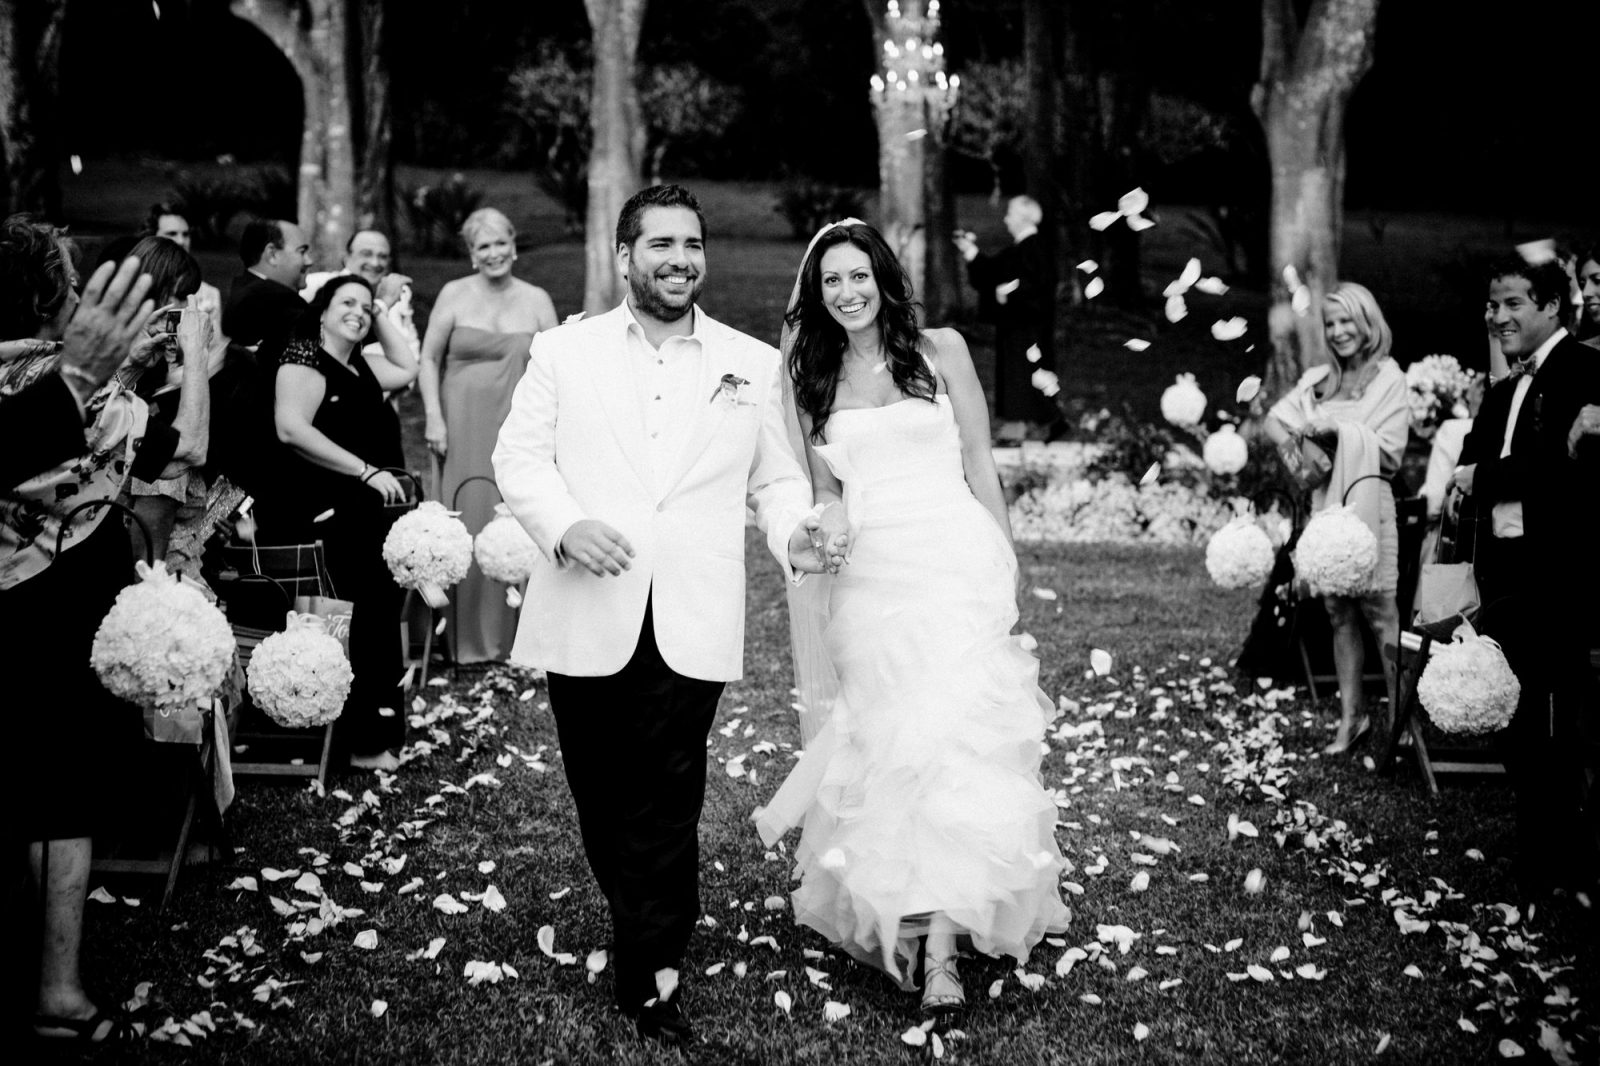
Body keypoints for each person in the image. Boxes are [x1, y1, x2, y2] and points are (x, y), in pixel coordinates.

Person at [492, 184, 838, 1047]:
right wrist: (565, 526)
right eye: (662, 244)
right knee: (600, 791)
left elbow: (775, 479)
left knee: (668, 792)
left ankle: (651, 968)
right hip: (586, 604)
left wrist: (795, 534)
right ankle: (641, 917)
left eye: (693, 243)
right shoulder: (562, 352)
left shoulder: (750, 361)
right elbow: (518, 457)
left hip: (691, 607)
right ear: (624, 256)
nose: (681, 258)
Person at [753, 220, 1070, 1030]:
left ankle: (942, 953)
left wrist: (1002, 558)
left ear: (884, 279)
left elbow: (978, 459)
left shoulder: (944, 349)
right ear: (816, 296)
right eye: (832, 283)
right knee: (896, 745)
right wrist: (824, 527)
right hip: (872, 579)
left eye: (859, 276)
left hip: (953, 565)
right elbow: (819, 487)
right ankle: (913, 910)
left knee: (959, 740)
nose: (848, 293)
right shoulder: (810, 374)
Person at [0, 222, 182, 1047]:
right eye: (70, 285)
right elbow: (169, 447)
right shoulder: (98, 399)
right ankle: (59, 989)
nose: (79, 297)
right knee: (59, 798)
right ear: (48, 300)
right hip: (57, 607)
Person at [1452, 256, 1600, 898]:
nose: (1499, 317)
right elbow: (1474, 451)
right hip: (1504, 571)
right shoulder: (1506, 386)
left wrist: (1481, 479)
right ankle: (1541, 843)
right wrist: (1468, 478)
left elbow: (1560, 470)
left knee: (1552, 713)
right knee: (1511, 713)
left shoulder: (1586, 372)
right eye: (1492, 305)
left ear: (1550, 307)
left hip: (1559, 572)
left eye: (1512, 303)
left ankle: (1556, 853)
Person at [250, 274, 419, 773]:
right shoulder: (304, 357)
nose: (359, 312)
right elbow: (291, 428)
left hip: (365, 518)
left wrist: (381, 311)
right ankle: (353, 738)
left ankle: (371, 735)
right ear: (320, 310)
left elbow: (407, 366)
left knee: (379, 621)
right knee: (353, 622)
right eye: (347, 302)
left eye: (365, 308)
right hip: (326, 516)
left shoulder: (358, 367)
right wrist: (365, 471)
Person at [1265, 282, 1409, 755]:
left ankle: (1400, 717)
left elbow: (1389, 453)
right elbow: (1276, 419)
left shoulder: (1388, 378)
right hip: (1326, 505)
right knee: (1337, 613)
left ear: (1368, 322)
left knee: (1381, 614)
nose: (1339, 331)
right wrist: (1305, 459)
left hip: (1371, 504)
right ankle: (1353, 718)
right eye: (1331, 323)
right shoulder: (1319, 381)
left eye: (1347, 320)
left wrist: (1336, 429)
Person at [419, 208, 557, 662]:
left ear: (513, 245)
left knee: (515, 517)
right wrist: (434, 418)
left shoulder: (536, 298)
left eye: (500, 243)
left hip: (518, 426)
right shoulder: (453, 294)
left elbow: (558, 367)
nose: (494, 253)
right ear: (471, 254)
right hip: (461, 425)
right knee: (467, 517)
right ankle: (460, 639)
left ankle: (518, 638)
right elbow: (428, 360)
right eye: (483, 246)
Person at [952, 195, 1055, 441]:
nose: (1006, 219)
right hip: (1015, 324)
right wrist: (970, 250)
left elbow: (1037, 286)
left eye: (1009, 214)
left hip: (1029, 326)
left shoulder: (1036, 248)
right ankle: (1022, 423)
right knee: (1016, 371)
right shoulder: (1019, 250)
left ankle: (1024, 425)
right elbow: (990, 272)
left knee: (1024, 370)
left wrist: (1008, 291)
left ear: (1022, 218)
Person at [223, 217, 311, 350]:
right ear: (272, 254)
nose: (309, 261)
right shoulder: (282, 303)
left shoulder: (241, 291)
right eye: (302, 252)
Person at [145, 201, 224, 335]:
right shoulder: (139, 290)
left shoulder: (209, 294)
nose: (181, 241)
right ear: (153, 238)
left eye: (186, 234)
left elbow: (216, 348)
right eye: (172, 234)